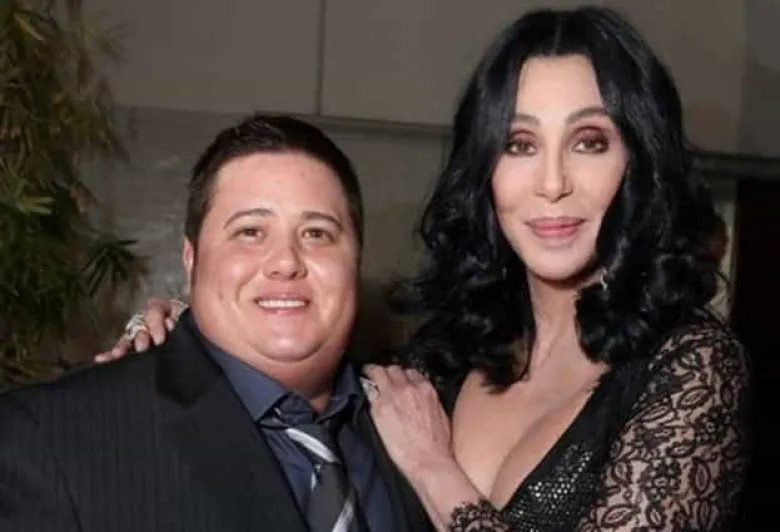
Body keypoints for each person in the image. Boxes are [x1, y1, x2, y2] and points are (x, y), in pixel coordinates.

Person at [101, 6, 752, 531]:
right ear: (485, 169)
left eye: (589, 142)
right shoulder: (446, 354)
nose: (552, 183)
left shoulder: (692, 365)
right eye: (519, 144)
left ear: (637, 160)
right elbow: (296, 405)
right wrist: (195, 333)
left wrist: (436, 471)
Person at [0, 114, 430, 531]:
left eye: (317, 233)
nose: (285, 262)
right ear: (191, 259)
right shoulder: (51, 438)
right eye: (250, 232)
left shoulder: (425, 425)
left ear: (356, 260)